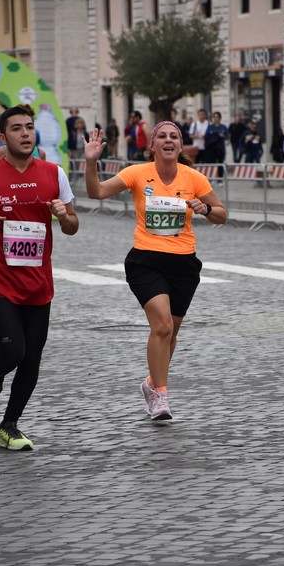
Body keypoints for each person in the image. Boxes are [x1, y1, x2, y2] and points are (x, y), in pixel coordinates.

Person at [83, 121, 226, 420]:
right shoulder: (137, 173)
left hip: (184, 263)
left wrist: (207, 210)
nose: (168, 140)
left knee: (170, 334)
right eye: (162, 136)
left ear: (181, 144)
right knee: (161, 326)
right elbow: (96, 192)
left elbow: (222, 214)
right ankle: (161, 395)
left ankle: (151, 383)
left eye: (174, 136)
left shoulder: (194, 178)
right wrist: (91, 163)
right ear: (152, 146)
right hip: (145, 260)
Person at [0, 105, 79, 450]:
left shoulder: (54, 173)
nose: (25, 134)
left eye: (29, 127)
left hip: (39, 284)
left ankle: (9, 427)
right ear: (3, 135)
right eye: (17, 128)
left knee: (32, 359)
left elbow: (72, 226)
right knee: (14, 352)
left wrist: (63, 216)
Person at [204, 111, 229, 177]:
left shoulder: (223, 127)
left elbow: (228, 137)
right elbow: (206, 136)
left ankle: (220, 180)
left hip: (221, 149)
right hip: (212, 149)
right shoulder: (210, 127)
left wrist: (222, 136)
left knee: (220, 164)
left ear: (220, 118)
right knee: (213, 164)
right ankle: (214, 178)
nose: (215, 118)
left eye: (217, 117)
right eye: (214, 117)